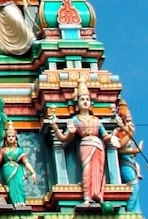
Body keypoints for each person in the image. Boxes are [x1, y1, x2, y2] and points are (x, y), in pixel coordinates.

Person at [48, 79, 112, 207]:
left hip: (98, 146)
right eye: (82, 99)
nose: (85, 102)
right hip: (86, 145)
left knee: (99, 171)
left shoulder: (96, 120)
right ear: (77, 103)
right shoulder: (75, 120)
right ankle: (87, 197)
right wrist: (55, 127)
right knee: (87, 170)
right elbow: (64, 138)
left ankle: (99, 196)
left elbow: (105, 136)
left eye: (87, 99)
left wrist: (114, 135)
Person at [0, 120, 37, 207]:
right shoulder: (3, 150)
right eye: (9, 136)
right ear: (6, 139)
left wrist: (33, 172)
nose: (10, 138)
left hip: (18, 170)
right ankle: (15, 203)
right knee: (11, 186)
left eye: (12, 136)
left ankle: (21, 202)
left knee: (19, 185)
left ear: (15, 139)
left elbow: (26, 162)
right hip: (7, 169)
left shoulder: (19, 151)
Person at [114, 99, 143, 213]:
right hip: (124, 163)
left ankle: (134, 210)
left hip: (130, 162)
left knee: (134, 185)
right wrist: (134, 150)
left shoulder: (126, 131)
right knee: (133, 185)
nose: (130, 121)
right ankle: (130, 210)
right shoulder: (118, 132)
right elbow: (119, 147)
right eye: (127, 118)